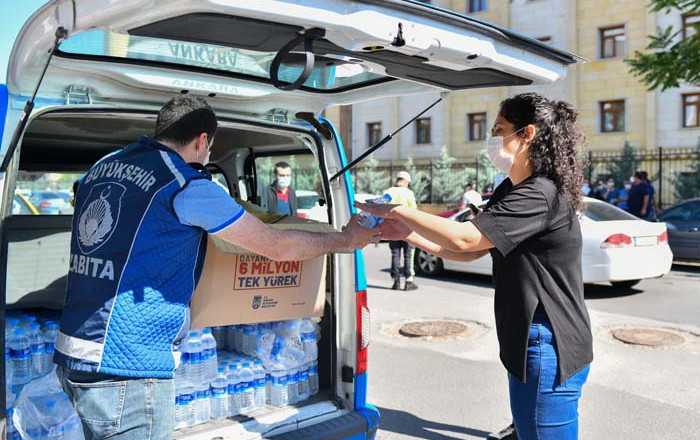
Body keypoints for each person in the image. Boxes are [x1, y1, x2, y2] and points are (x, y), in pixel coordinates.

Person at [54, 97, 379, 440]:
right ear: (201, 141)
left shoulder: (103, 167)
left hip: (73, 350)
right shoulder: (185, 185)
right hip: (129, 367)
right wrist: (346, 239)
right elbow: (277, 247)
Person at [358, 93, 593, 440]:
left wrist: (396, 210)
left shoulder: (539, 193)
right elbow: (470, 251)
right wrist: (409, 234)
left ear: (527, 134)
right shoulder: (513, 191)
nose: (492, 139)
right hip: (532, 342)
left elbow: (466, 239)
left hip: (549, 343)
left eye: (499, 130)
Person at [384, 171, 419, 291]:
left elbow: (383, 209)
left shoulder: (388, 192)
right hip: (407, 228)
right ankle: (409, 282)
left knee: (395, 254)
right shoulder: (408, 193)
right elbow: (413, 210)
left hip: (392, 228)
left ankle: (396, 282)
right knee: (409, 255)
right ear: (405, 181)